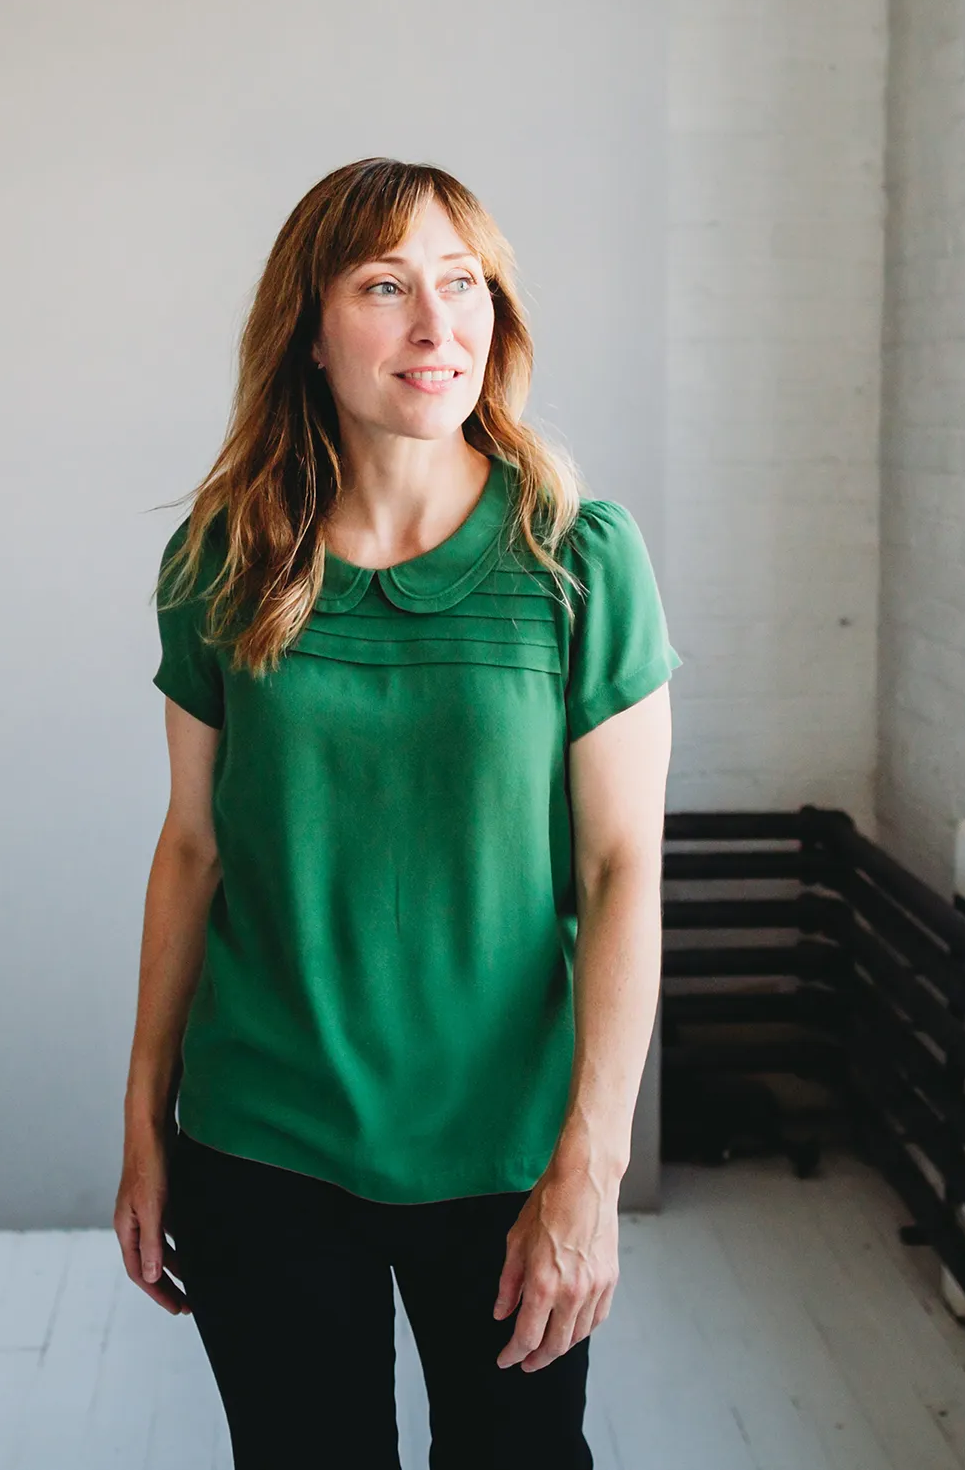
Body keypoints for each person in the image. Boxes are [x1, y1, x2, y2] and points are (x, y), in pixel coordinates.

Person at [113, 156, 678, 1468]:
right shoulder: (222, 559)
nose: (439, 328)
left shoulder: (578, 558)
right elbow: (192, 849)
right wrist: (144, 1121)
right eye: (385, 286)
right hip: (263, 1141)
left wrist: (588, 1170)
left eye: (463, 284)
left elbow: (622, 871)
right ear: (310, 332)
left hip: (504, 1150)